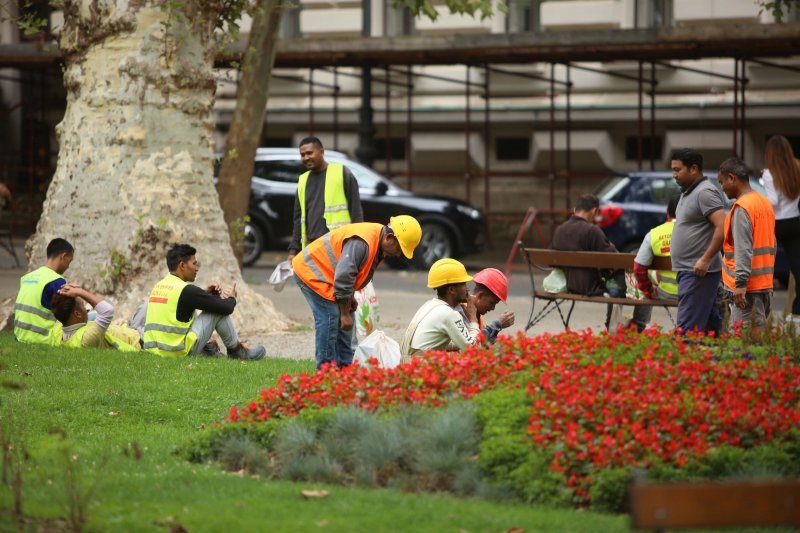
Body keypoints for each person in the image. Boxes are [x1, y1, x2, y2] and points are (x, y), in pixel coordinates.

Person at [293, 216, 421, 369]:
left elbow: (354, 273)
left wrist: (349, 299)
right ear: (389, 238)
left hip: (329, 277)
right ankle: (325, 373)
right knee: (330, 318)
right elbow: (343, 276)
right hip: (312, 272)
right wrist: (344, 313)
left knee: (347, 319)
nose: (399, 254)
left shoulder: (378, 244)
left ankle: (346, 370)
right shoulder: (363, 243)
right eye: (399, 248)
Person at [143, 243, 266, 360]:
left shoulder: (159, 286)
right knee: (217, 311)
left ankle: (209, 350)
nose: (196, 268)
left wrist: (208, 295)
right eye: (194, 264)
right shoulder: (186, 290)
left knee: (200, 311)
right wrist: (232, 297)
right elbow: (226, 308)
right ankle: (237, 352)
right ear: (182, 265)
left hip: (155, 351)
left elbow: (183, 308)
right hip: (176, 352)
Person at [551, 194, 650, 330]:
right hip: (591, 287)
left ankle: (617, 324)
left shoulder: (559, 230)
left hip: (567, 283)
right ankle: (636, 324)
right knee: (638, 280)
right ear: (593, 211)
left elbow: (553, 261)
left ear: (575, 210)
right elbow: (614, 260)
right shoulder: (592, 231)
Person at [669, 148, 726, 336]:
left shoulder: (705, 192)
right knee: (709, 332)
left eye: (678, 170)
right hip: (688, 270)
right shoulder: (688, 192)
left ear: (693, 169)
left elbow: (722, 227)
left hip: (698, 272)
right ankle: (711, 363)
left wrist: (705, 259)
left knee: (686, 331)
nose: (674, 175)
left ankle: (684, 365)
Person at [717, 158, 777, 330]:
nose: (722, 188)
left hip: (746, 290)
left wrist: (740, 284)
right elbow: (772, 243)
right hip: (763, 285)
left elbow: (743, 249)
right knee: (756, 336)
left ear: (732, 178)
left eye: (722, 182)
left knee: (746, 342)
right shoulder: (764, 203)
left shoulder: (742, 208)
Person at [288, 136, 364, 259]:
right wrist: (293, 250)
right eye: (302, 155)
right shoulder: (303, 180)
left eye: (309, 153)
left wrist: (358, 242)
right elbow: (298, 219)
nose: (306, 157)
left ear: (322, 152)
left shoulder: (342, 173)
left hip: (339, 245)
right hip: (312, 247)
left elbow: (356, 211)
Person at [401, 258, 480, 358]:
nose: (467, 288)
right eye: (463, 284)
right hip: (421, 368)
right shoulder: (449, 314)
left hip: (409, 364)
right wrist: (473, 318)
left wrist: (457, 344)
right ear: (451, 290)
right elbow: (474, 349)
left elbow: (431, 344)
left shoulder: (430, 305)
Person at [763, 135, 800, 326]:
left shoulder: (769, 174)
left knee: (764, 264)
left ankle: (760, 307)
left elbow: (773, 202)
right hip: (795, 221)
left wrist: (763, 184)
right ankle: (796, 311)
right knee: (797, 267)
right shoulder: (797, 168)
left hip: (775, 224)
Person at [628, 196, 680, 330]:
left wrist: (649, 290)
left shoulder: (654, 234)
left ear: (667, 212)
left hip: (665, 293)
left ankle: (639, 325)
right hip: (693, 293)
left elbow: (639, 269)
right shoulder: (698, 233)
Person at [14, 238, 73, 345]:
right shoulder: (56, 280)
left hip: (20, 337)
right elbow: (69, 315)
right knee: (92, 316)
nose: (68, 266)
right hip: (43, 339)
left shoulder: (27, 277)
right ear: (63, 256)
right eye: (69, 261)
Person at [50, 285, 140, 351]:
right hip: (137, 340)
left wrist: (70, 290)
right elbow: (107, 310)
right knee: (147, 306)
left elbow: (59, 305)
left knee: (93, 314)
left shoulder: (58, 329)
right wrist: (80, 292)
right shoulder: (86, 340)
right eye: (83, 305)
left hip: (127, 328)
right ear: (77, 314)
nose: (86, 308)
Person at [455, 268, 515, 344]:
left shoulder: (477, 315)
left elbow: (483, 345)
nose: (493, 308)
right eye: (491, 303)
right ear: (480, 295)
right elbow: (472, 344)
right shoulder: (460, 313)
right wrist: (497, 324)